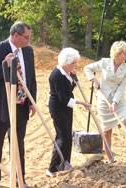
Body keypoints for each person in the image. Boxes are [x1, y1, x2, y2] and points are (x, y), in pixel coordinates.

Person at [0, 21, 36, 188]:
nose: (29, 40)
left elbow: (31, 77)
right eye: (26, 37)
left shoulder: (28, 51)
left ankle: (18, 178)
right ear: (16, 35)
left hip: (20, 104)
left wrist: (31, 101)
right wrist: (5, 65)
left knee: (18, 143)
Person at [84, 41, 126, 162]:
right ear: (117, 53)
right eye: (125, 54)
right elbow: (87, 68)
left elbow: (121, 87)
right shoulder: (105, 62)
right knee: (107, 131)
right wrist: (93, 79)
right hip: (103, 100)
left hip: (118, 101)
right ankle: (110, 159)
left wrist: (114, 102)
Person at [46, 47, 91, 177]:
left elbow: (69, 89)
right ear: (66, 62)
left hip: (65, 108)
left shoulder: (66, 74)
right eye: (74, 63)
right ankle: (52, 169)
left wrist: (74, 78)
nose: (75, 65)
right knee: (62, 138)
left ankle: (65, 164)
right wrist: (81, 103)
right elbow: (63, 98)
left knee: (67, 137)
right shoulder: (57, 75)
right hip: (58, 107)